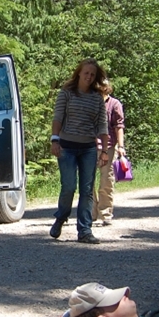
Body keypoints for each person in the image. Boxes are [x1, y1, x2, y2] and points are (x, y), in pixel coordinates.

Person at [49, 58, 109, 244]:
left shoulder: (97, 97)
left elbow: (102, 125)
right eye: (86, 73)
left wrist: (104, 150)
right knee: (69, 186)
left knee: (87, 189)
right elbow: (58, 118)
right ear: (79, 74)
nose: (89, 77)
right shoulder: (66, 93)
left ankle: (84, 230)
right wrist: (55, 140)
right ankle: (61, 217)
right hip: (67, 146)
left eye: (92, 74)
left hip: (88, 149)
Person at [92, 78, 126, 227]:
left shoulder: (114, 104)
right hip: (90, 146)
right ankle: (91, 213)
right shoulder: (90, 103)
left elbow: (119, 126)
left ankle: (105, 213)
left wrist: (121, 147)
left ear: (108, 87)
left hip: (109, 147)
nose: (101, 88)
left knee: (106, 180)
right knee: (88, 181)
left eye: (103, 85)